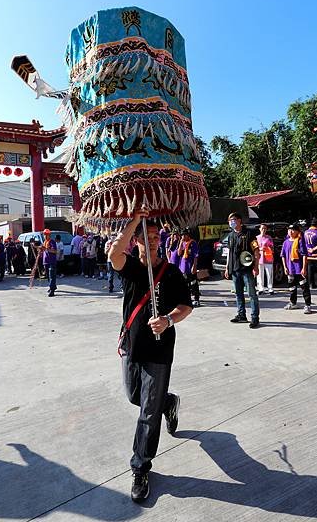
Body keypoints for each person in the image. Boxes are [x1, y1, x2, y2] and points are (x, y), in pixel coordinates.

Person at [109, 208, 192, 503]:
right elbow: (114, 255)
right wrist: (134, 221)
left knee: (147, 414)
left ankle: (141, 467)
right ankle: (168, 402)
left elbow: (185, 306)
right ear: (137, 241)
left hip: (159, 351)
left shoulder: (171, 273)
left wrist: (168, 320)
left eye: (156, 236)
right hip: (132, 347)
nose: (153, 240)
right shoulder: (130, 267)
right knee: (134, 397)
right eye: (147, 236)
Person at [225, 212, 260, 328]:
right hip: (235, 269)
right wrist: (227, 268)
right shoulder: (230, 236)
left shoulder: (249, 233)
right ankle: (241, 315)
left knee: (251, 294)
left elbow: (256, 250)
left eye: (233, 220)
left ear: (240, 220)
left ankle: (254, 318)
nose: (231, 222)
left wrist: (256, 266)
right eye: (230, 220)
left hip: (246, 269)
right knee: (238, 294)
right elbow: (229, 252)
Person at [281, 223, 312, 314]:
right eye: (289, 230)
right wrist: (285, 267)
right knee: (291, 287)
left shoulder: (300, 241)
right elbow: (283, 255)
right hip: (290, 269)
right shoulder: (286, 242)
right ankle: (293, 302)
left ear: (297, 232)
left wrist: (304, 268)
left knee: (304, 287)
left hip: (299, 269)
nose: (290, 232)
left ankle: (308, 305)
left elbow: (304, 255)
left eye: (293, 230)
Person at [178, 228, 200, 307]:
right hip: (183, 267)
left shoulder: (192, 243)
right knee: (185, 284)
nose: (183, 236)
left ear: (187, 235)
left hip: (190, 266)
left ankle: (196, 299)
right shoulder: (182, 243)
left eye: (184, 235)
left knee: (194, 283)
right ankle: (187, 299)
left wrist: (194, 266)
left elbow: (195, 256)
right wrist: (180, 243)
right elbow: (179, 253)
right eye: (182, 235)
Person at [256, 224, 274, 295]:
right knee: (260, 274)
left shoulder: (269, 238)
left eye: (265, 228)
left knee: (269, 273)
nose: (263, 230)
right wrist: (260, 249)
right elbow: (254, 248)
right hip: (259, 258)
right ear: (259, 229)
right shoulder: (256, 238)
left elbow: (272, 247)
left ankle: (270, 288)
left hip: (268, 257)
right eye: (262, 228)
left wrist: (267, 248)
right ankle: (260, 288)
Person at [42, 229, 57, 297]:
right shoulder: (45, 242)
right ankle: (52, 286)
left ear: (49, 235)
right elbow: (44, 250)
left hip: (51, 261)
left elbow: (55, 251)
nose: (45, 236)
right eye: (44, 234)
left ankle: (52, 290)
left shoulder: (52, 242)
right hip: (46, 261)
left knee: (52, 276)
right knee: (48, 276)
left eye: (46, 234)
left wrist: (47, 249)